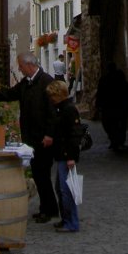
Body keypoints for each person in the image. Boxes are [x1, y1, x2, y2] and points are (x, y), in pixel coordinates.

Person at [0, 51, 58, 222]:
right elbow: (9, 94)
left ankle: (50, 210)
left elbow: (52, 112)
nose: (19, 68)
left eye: (21, 66)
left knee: (43, 175)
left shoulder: (46, 82)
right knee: (38, 174)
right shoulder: (26, 83)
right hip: (31, 137)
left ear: (30, 65)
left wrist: (49, 134)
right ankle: (46, 208)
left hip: (43, 138)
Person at [46, 80, 83, 233]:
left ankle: (72, 222)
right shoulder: (61, 109)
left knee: (67, 189)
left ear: (58, 94)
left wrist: (71, 157)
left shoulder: (68, 110)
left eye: (52, 96)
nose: (50, 99)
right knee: (61, 188)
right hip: (62, 154)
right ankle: (66, 219)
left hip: (66, 155)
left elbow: (74, 135)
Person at [95, 62, 128, 150]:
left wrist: (98, 104)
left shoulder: (105, 79)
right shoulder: (119, 79)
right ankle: (119, 140)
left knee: (110, 124)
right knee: (120, 124)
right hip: (119, 105)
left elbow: (100, 92)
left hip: (110, 106)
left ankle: (115, 140)